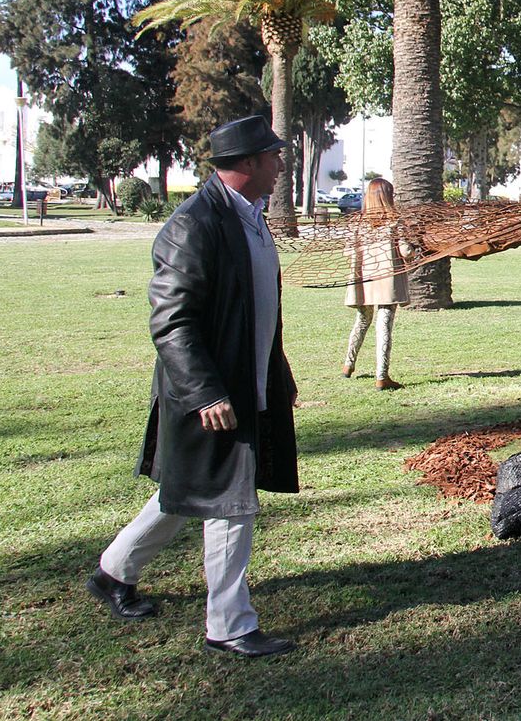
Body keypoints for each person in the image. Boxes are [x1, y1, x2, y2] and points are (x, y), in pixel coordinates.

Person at [86, 115, 300, 658]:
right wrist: (206, 392)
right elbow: (171, 320)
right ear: (247, 162)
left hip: (246, 382)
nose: (280, 164)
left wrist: (277, 373)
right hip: (209, 392)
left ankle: (114, 572)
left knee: (187, 490)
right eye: (273, 155)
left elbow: (257, 310)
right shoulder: (194, 224)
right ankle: (229, 625)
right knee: (231, 500)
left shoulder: (250, 216)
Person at [342, 178, 410, 390]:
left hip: (364, 281)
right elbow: (406, 251)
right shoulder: (395, 223)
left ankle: (348, 365)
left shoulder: (357, 223)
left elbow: (348, 251)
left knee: (362, 321)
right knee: (384, 325)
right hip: (387, 281)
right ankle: (382, 376)